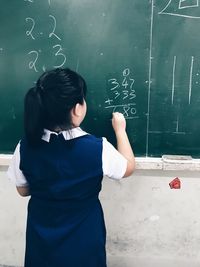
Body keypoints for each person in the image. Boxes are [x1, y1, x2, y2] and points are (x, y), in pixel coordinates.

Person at [7, 68, 135, 267]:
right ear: (77, 109)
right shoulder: (97, 148)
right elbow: (127, 168)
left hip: (42, 237)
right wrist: (120, 130)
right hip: (84, 236)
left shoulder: (24, 147)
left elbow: (22, 190)